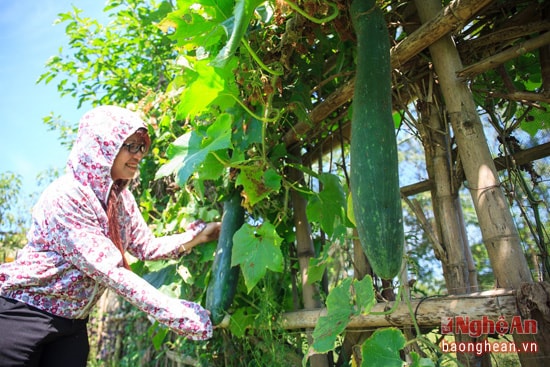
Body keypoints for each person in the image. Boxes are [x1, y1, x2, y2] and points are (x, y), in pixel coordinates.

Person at [0, 105, 220, 366]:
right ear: (102, 145)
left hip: (73, 323)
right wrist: (178, 314)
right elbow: (111, 272)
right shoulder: (67, 197)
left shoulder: (121, 201)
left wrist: (199, 236)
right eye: (130, 145)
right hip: (25, 314)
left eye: (142, 147)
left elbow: (145, 246)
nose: (138, 155)